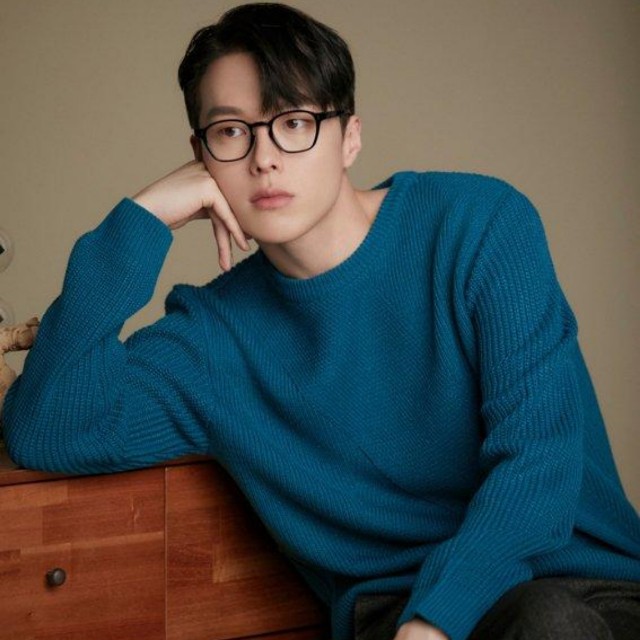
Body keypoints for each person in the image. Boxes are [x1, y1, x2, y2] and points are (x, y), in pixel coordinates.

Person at [2, 3, 639, 640]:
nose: (264, 159)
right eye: (231, 132)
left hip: (586, 592)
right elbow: (47, 427)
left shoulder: (478, 227)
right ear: (200, 156)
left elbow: (540, 462)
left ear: (349, 137)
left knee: (550, 620)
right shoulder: (212, 340)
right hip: (393, 611)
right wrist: (142, 218)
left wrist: (436, 622)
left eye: (294, 122)